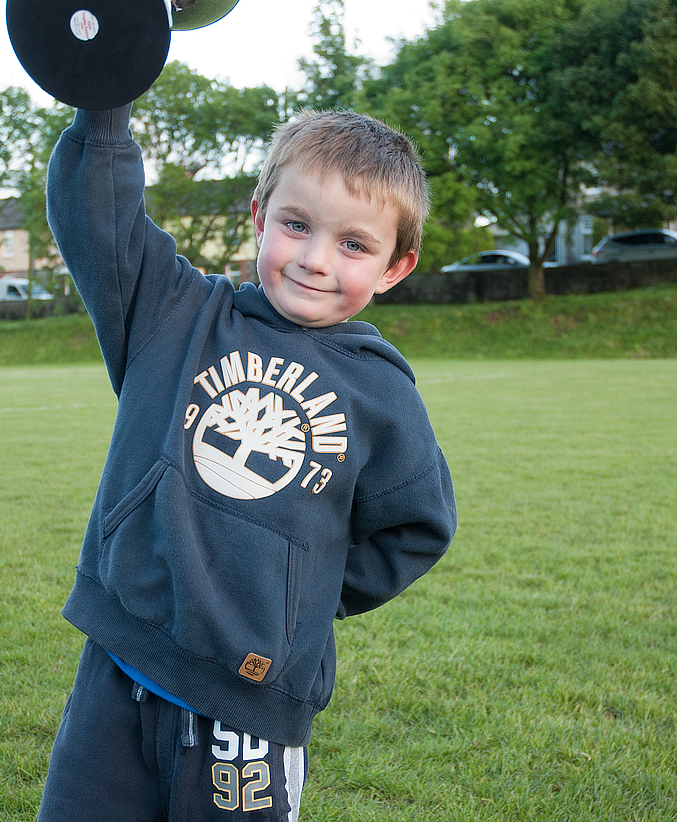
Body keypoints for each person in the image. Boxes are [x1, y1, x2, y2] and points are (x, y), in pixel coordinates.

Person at [37, 103, 457, 822]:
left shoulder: (381, 392)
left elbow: (417, 525)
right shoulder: (175, 313)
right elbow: (100, 225)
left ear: (396, 267)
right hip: (118, 668)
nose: (315, 259)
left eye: (353, 244)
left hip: (249, 711)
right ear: (260, 217)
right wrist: (104, 110)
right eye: (296, 224)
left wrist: (297, 592)